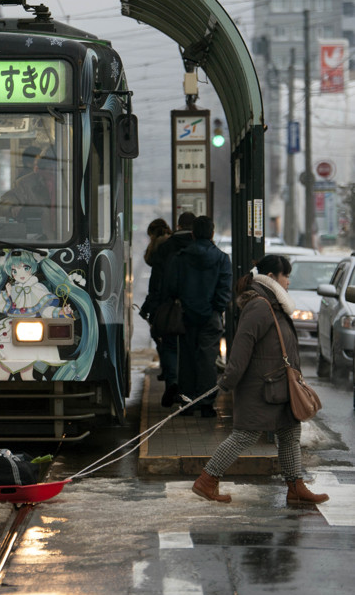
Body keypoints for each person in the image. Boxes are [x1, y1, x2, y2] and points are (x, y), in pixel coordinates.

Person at [192, 254, 330, 506]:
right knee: (244, 435)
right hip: (261, 388)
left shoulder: (272, 303)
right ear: (271, 278)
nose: (288, 281)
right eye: (285, 275)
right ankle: (207, 480)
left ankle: (295, 486)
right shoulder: (260, 305)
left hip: (276, 386)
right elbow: (242, 346)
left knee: (290, 432)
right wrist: (227, 381)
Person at [164, 214, 232, 415]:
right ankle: (206, 404)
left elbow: (171, 286)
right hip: (211, 317)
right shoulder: (222, 258)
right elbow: (225, 288)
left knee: (186, 359)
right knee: (207, 360)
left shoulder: (180, 257)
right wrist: (216, 308)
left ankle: (187, 402)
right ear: (212, 233)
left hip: (185, 315)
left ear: (192, 234)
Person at [140, 212, 196, 407]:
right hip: (194, 307)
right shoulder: (198, 246)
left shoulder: (165, 248)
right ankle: (188, 391)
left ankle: (172, 382)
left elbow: (156, 283)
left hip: (168, 306)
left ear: (179, 225)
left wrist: (151, 307)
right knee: (192, 349)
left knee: (169, 346)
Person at [0, 149, 56, 238]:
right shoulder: (26, 183)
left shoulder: (69, 182)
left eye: (54, 164)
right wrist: (13, 207)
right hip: (42, 238)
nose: (52, 169)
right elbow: (7, 199)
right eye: (48, 164)